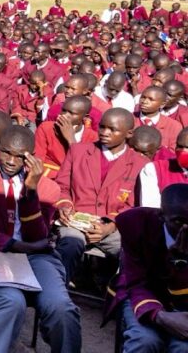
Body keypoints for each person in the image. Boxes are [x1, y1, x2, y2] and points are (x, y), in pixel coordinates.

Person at [0, 125, 81, 353]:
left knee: (61, 308)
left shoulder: (48, 187)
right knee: (10, 300)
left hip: (36, 256)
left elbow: (37, 236)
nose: (10, 161)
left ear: (32, 157)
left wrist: (30, 192)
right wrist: (13, 244)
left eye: (20, 156)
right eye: (6, 152)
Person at [54, 108, 148, 282]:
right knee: (70, 244)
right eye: (102, 127)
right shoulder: (78, 151)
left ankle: (121, 298)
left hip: (114, 227)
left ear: (129, 133)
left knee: (132, 252)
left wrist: (111, 225)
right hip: (75, 221)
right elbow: (62, 185)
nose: (105, 133)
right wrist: (65, 206)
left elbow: (133, 206)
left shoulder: (140, 164)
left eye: (113, 129)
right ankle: (59, 293)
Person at [113, 184, 188, 351]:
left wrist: (181, 264)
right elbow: (135, 280)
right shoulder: (137, 224)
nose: (186, 229)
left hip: (183, 304)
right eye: (178, 221)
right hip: (141, 293)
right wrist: (158, 315)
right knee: (145, 340)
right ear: (161, 215)